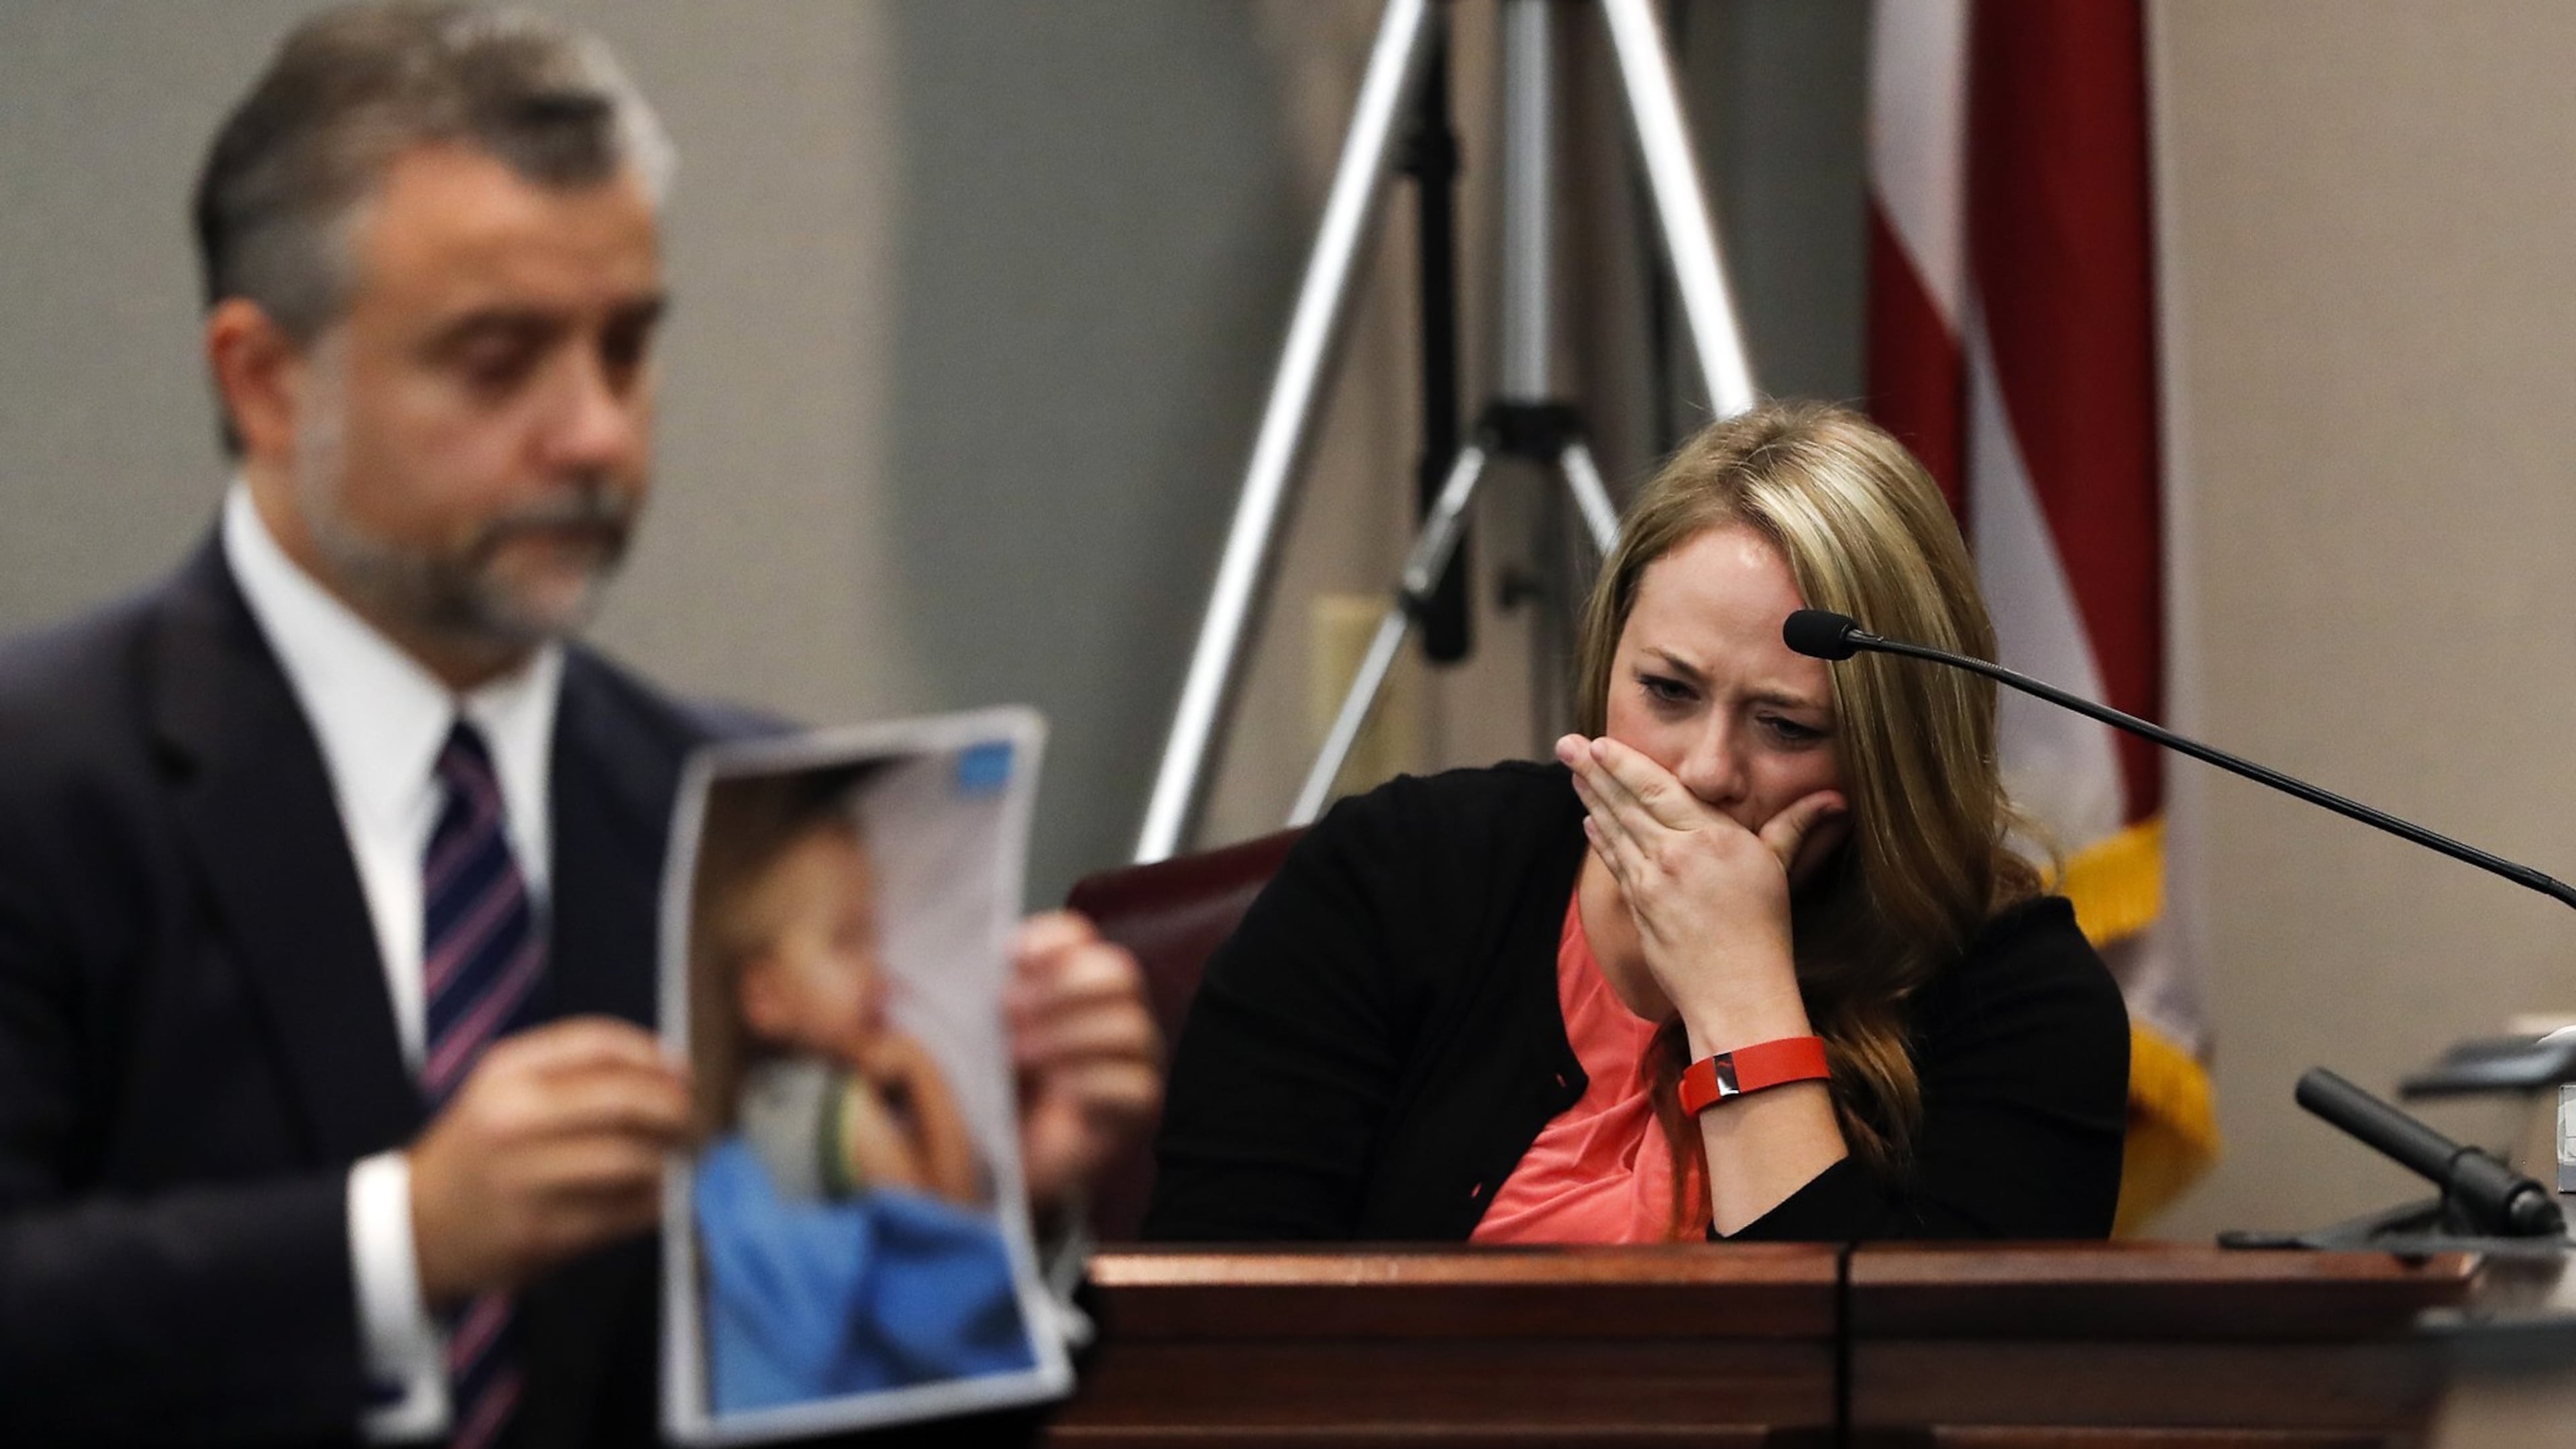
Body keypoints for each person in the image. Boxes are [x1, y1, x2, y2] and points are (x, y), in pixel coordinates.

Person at [0, 5, 1159, 1445]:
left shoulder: (727, 814)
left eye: (625, 349)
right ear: (265, 378)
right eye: (500, 360)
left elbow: (818, 1405)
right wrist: (397, 1242)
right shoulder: (44, 785)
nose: (597, 434)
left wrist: (992, 1207)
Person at [1146, 400, 2129, 1245]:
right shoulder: (1399, 878)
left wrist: (1739, 995)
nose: (1705, 771)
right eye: (1666, 690)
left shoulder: (2016, 996)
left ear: (1895, 749)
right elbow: (1210, 1334)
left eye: (1786, 726)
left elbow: (1897, 1394)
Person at [684, 768, 1035, 1412]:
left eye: (872, 936)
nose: (878, 970)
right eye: (847, 942)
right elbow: (948, 1233)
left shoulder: (768, 1104)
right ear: (765, 997)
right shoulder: (839, 1112)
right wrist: (928, 1079)